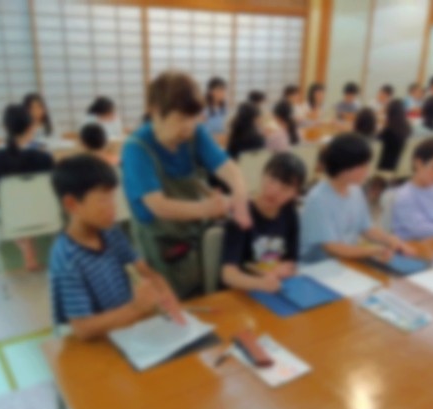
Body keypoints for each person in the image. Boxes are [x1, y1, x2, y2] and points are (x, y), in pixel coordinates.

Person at [122, 71, 250, 298]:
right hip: (159, 245)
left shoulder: (195, 134)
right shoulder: (136, 149)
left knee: (205, 298)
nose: (188, 127)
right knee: (170, 306)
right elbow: (158, 205)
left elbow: (230, 170)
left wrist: (240, 202)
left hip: (194, 237)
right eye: (181, 118)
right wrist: (207, 208)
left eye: (194, 117)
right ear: (155, 112)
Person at [49, 156, 184, 340]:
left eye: (112, 197)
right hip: (93, 343)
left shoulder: (110, 232)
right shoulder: (67, 257)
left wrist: (164, 291)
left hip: (124, 330)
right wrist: (135, 308)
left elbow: (143, 270)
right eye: (103, 200)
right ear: (71, 204)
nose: (113, 207)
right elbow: (83, 329)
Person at [300, 133, 412, 263]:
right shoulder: (318, 199)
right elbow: (332, 248)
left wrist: (391, 240)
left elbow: (366, 228)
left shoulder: (354, 190)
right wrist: (373, 251)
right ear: (344, 166)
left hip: (345, 261)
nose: (367, 171)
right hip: (318, 266)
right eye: (362, 166)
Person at [0, 104, 54, 270]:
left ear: (5, 128)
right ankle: (29, 248)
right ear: (31, 128)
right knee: (29, 201)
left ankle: (25, 246)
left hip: (9, 214)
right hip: (44, 211)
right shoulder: (44, 157)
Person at [221, 153, 306, 292]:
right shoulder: (242, 213)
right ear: (263, 175)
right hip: (242, 292)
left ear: (295, 194)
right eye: (272, 180)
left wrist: (278, 272)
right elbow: (228, 275)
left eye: (285, 188)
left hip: (274, 288)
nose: (274, 191)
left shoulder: (290, 214)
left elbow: (291, 262)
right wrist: (262, 282)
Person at [378, 99, 411, 171]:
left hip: (387, 167)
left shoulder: (388, 131)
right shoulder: (408, 128)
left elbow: (376, 145)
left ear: (389, 113)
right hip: (403, 165)